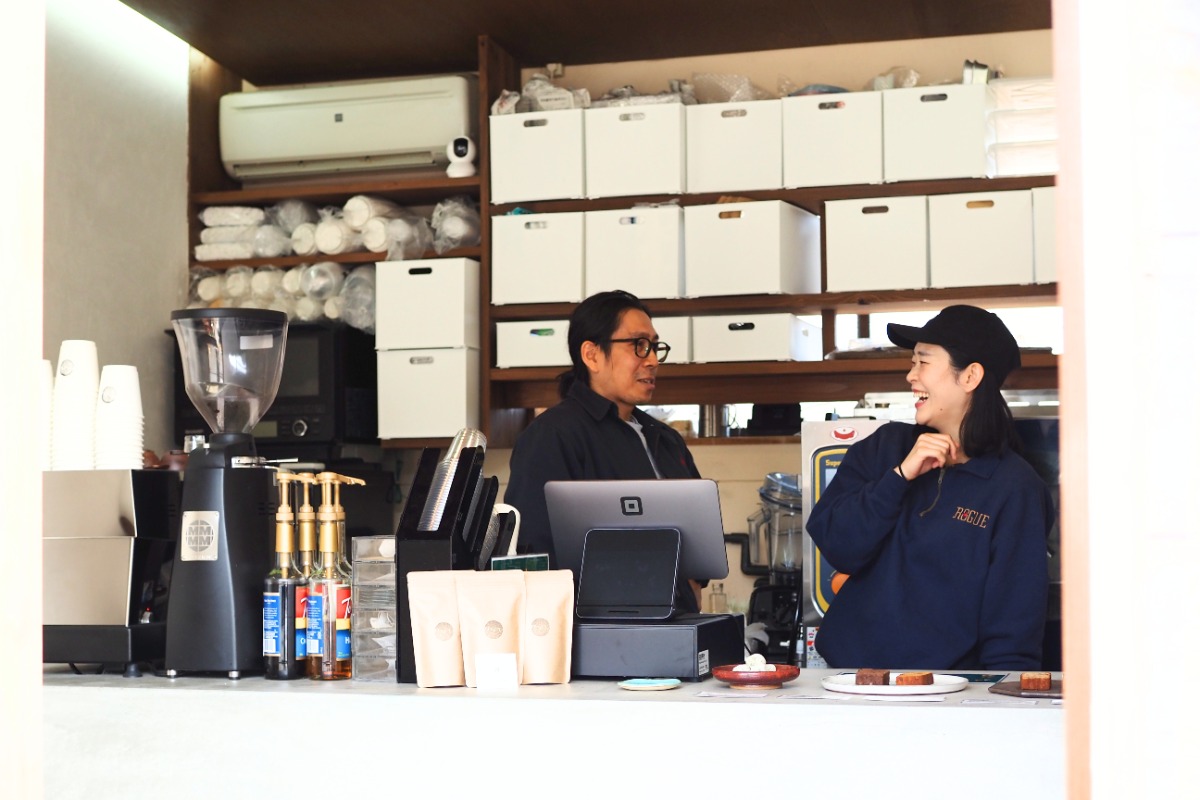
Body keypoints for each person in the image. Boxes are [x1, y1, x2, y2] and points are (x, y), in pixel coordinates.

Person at [806, 305, 1054, 670]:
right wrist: (899, 476)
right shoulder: (884, 447)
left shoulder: (1015, 489)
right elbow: (838, 545)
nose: (911, 375)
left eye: (923, 362)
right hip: (849, 682)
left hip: (949, 696)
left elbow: (1013, 626)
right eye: (912, 362)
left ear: (970, 376)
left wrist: (999, 703)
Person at [503, 289, 703, 612]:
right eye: (638, 345)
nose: (651, 360)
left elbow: (699, 532)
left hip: (677, 626)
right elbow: (533, 558)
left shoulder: (665, 438)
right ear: (592, 355)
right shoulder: (552, 436)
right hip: (602, 634)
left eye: (654, 346)